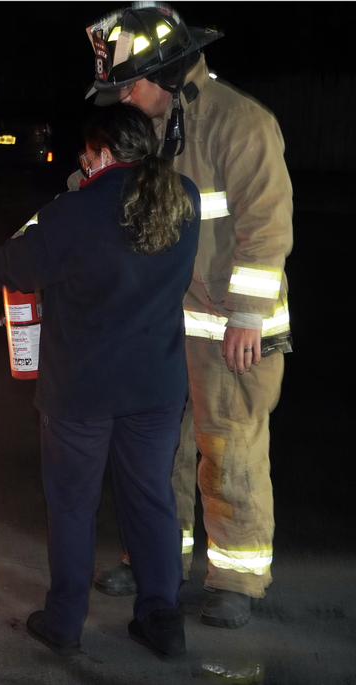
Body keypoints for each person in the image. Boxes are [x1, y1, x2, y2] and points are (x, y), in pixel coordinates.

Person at [0, 103, 201, 658]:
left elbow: (19, 264)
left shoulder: (75, 211)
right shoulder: (183, 198)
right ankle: (162, 620)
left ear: (104, 153)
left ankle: (64, 621)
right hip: (156, 388)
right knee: (151, 499)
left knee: (72, 504)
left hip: (81, 390)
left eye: (87, 155)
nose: (82, 163)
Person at [81, 3, 293, 629]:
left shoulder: (239, 123)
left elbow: (266, 227)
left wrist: (248, 315)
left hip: (233, 330)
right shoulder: (154, 127)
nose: (121, 98)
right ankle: (154, 562)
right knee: (157, 453)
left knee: (226, 448)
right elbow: (108, 194)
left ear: (157, 74)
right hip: (166, 323)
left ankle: (234, 579)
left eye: (125, 84)